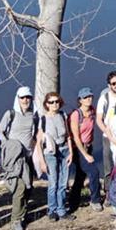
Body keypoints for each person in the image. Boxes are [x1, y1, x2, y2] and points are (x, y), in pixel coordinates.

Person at [0, 86, 37, 230]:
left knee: (28, 187)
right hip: (15, 158)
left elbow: (34, 133)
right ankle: (16, 221)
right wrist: (8, 145)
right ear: (17, 99)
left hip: (28, 157)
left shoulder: (33, 115)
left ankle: (23, 213)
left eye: (28, 97)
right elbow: (0, 132)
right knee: (19, 188)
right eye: (22, 98)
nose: (25, 100)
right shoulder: (10, 114)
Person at [36, 92, 73, 222]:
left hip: (64, 151)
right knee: (53, 183)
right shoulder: (43, 119)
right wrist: (42, 162)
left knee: (63, 183)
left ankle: (61, 210)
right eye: (51, 102)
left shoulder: (63, 115)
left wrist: (71, 153)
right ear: (46, 104)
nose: (54, 104)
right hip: (50, 153)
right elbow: (39, 143)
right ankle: (52, 210)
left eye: (57, 101)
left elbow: (68, 136)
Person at [69, 87, 103, 212]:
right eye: (85, 97)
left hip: (88, 146)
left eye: (90, 96)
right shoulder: (76, 115)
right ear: (80, 100)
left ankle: (73, 201)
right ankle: (95, 200)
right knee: (94, 172)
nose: (88, 99)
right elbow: (76, 138)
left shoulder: (92, 111)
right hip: (79, 149)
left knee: (80, 175)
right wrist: (85, 154)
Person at [95, 71, 116, 178]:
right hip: (108, 137)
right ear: (109, 85)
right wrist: (110, 135)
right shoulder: (104, 98)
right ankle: (108, 187)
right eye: (114, 83)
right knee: (108, 167)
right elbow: (99, 120)